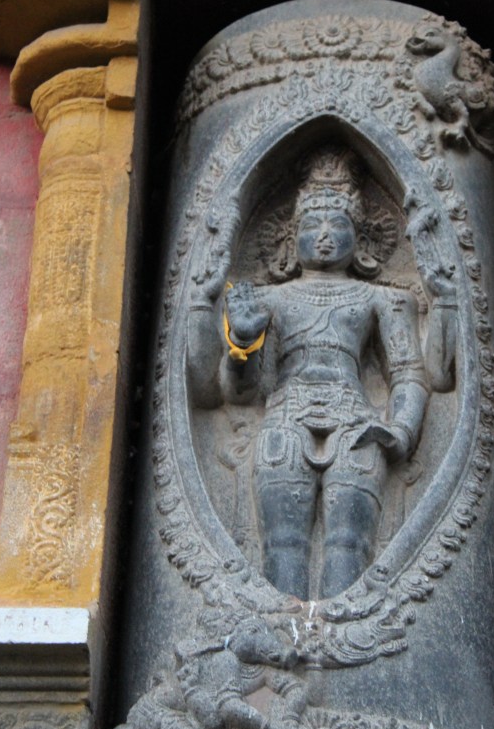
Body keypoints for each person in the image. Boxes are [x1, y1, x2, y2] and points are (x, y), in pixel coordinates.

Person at [190, 146, 450, 600]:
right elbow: (244, 392)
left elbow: (409, 372)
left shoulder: (384, 300)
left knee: (350, 545)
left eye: (338, 225)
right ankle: (281, 630)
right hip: (284, 421)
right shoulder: (269, 300)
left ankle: (348, 631)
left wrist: (400, 430)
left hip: (356, 426)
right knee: (282, 546)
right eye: (312, 225)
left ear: (360, 238)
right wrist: (243, 345)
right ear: (292, 238)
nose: (325, 235)